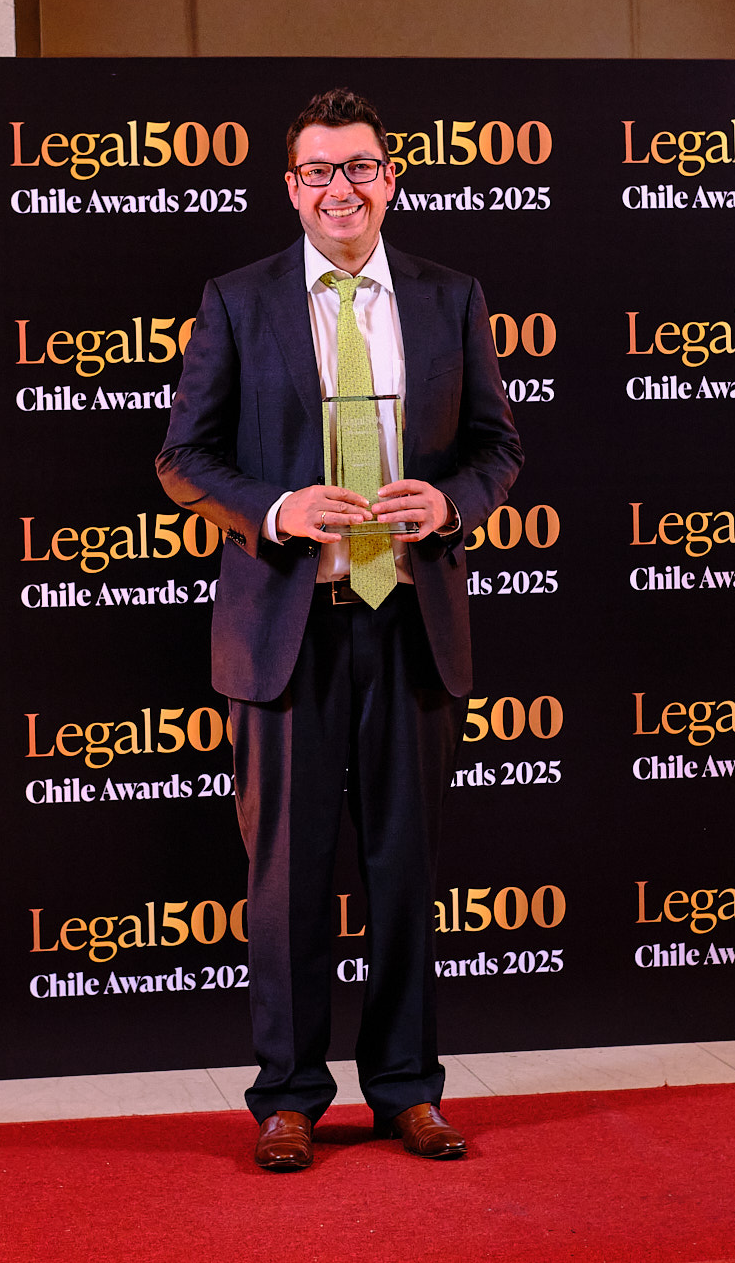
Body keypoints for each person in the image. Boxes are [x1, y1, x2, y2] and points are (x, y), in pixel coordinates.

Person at [156, 87, 523, 1172]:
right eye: (318, 171)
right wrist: (276, 508)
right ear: (291, 187)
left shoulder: (451, 297)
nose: (340, 188)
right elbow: (182, 457)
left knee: (405, 871)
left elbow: (499, 447)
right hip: (288, 628)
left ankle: (408, 1090)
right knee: (285, 879)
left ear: (389, 179)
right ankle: (287, 1097)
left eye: (358, 166)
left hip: (409, 621)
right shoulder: (237, 300)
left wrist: (450, 502)